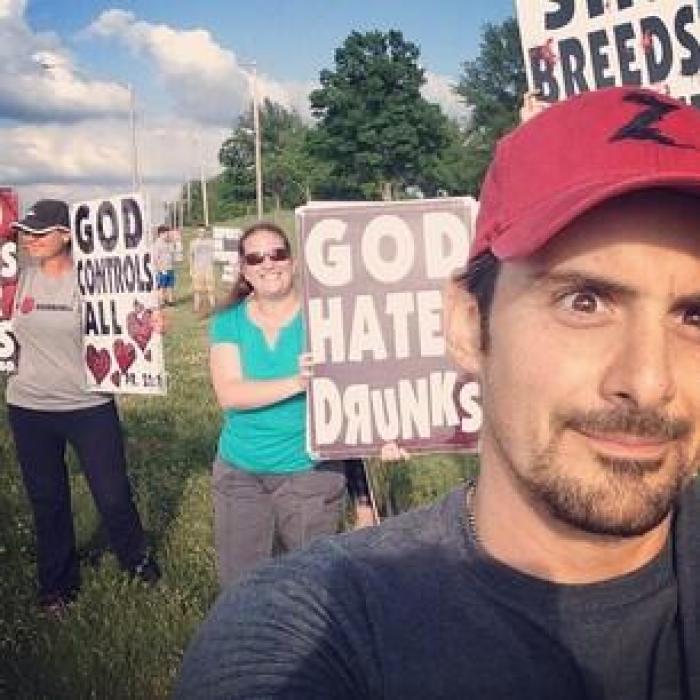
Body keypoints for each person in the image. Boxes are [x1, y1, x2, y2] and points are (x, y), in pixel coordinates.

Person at [176, 87, 700, 699]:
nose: (647, 381)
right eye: (584, 301)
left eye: (695, 316)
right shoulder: (315, 625)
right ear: (465, 325)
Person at [6, 199, 160, 617]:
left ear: (68, 235)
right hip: (28, 407)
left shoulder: (95, 279)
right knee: (47, 500)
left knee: (112, 495)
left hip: (88, 406)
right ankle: (57, 587)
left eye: (41, 233)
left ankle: (137, 560)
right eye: (26, 232)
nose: (31, 240)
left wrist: (150, 326)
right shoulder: (18, 280)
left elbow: (130, 326)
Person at [207, 221, 353, 588]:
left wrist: (366, 496)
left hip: (309, 471)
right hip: (240, 470)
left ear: (293, 260)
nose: (268, 264)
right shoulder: (229, 321)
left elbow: (358, 397)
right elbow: (230, 394)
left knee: (313, 585)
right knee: (240, 588)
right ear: (243, 270)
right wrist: (298, 381)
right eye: (256, 257)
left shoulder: (326, 317)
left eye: (278, 254)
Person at [189, 226, 216, 313]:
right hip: (198, 268)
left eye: (203, 232)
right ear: (197, 232)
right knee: (197, 289)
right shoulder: (193, 243)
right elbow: (190, 256)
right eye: (200, 232)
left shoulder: (211, 242)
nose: (202, 233)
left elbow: (216, 253)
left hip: (209, 267)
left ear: (206, 232)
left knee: (210, 288)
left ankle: (213, 305)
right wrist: (191, 268)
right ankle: (196, 307)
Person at [153, 224, 176, 306]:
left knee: (170, 285)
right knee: (162, 286)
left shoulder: (169, 243)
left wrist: (173, 242)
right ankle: (162, 301)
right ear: (161, 234)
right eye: (166, 233)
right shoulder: (157, 244)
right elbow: (155, 258)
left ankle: (170, 300)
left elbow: (173, 252)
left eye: (168, 233)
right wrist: (159, 269)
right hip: (162, 269)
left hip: (170, 267)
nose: (167, 235)